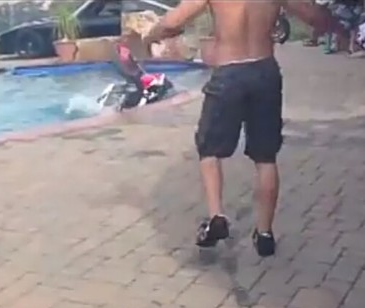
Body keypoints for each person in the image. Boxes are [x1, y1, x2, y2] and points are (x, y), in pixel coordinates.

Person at [143, 0, 341, 256]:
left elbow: (174, 20)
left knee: (209, 149)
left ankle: (217, 216)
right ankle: (265, 233)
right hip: (264, 70)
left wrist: (152, 34)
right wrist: (336, 27)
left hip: (229, 72)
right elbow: (312, 14)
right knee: (266, 156)